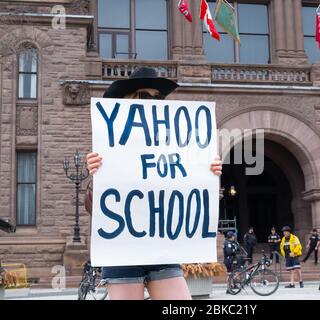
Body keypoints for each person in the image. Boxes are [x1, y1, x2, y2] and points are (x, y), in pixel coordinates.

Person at [84, 67, 223, 300]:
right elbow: (94, 208)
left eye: (158, 97)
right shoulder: (110, 145)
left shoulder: (178, 144)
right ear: (129, 100)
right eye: (145, 96)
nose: (153, 101)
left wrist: (207, 174)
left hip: (162, 251)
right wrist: (96, 177)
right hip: (122, 252)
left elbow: (193, 199)